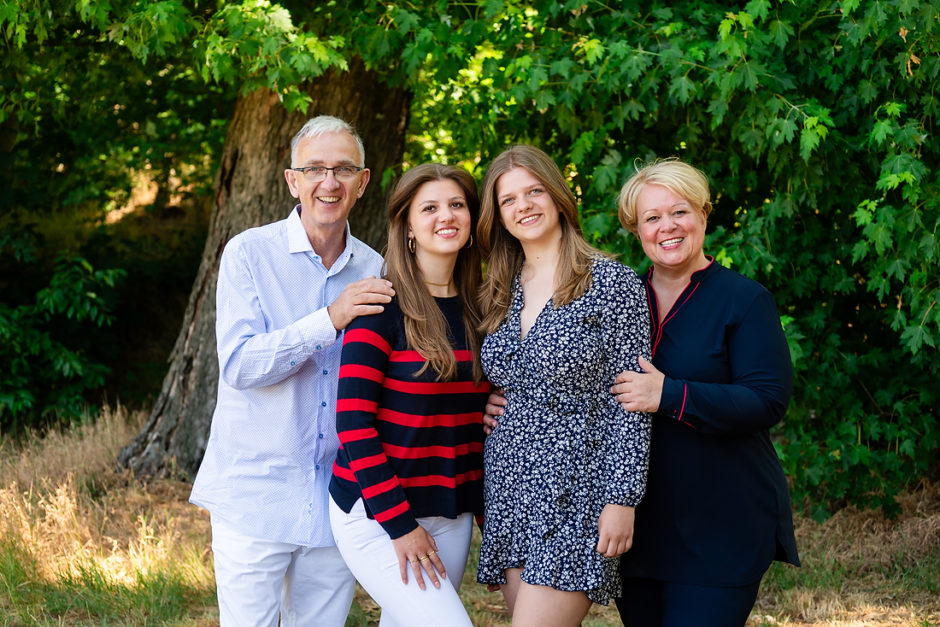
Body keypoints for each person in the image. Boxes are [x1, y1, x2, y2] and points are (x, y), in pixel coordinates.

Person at [189, 115, 396, 626]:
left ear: (363, 181)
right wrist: (329, 319)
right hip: (255, 494)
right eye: (315, 169)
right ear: (293, 180)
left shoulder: (377, 270)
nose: (330, 183)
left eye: (344, 169)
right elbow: (239, 364)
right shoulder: (248, 254)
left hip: (336, 499)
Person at [611, 158, 800, 625]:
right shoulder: (619, 302)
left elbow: (767, 400)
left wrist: (669, 395)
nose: (667, 227)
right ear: (637, 230)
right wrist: (504, 402)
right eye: (652, 218)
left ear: (703, 215)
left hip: (722, 521)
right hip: (637, 525)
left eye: (679, 212)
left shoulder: (744, 299)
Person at [474, 144, 651, 626]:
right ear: (499, 215)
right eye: (509, 200)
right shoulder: (497, 289)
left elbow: (629, 403)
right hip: (510, 482)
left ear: (556, 197)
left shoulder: (612, 283)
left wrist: (622, 499)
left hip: (579, 486)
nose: (523, 205)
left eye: (534, 191)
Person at [328, 163, 490, 626]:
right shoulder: (379, 306)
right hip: (376, 512)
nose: (447, 216)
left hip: (449, 509)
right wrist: (400, 526)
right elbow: (353, 425)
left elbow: (472, 418)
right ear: (408, 226)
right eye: (431, 207)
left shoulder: (482, 307)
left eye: (457, 204)